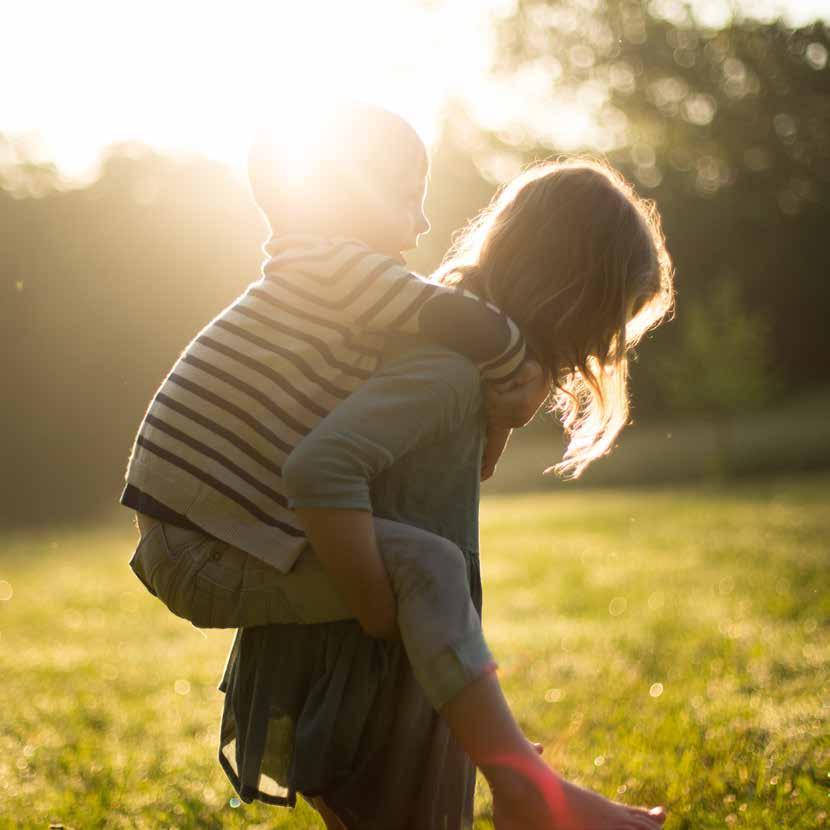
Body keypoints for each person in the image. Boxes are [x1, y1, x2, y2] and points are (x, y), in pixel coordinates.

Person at [218, 157, 675, 829]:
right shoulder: (446, 373)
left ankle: (527, 785)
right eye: (607, 326)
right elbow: (319, 469)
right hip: (365, 658)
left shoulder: (464, 372)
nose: (598, 353)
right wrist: (378, 611)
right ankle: (531, 792)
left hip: (396, 651)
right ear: (572, 299)